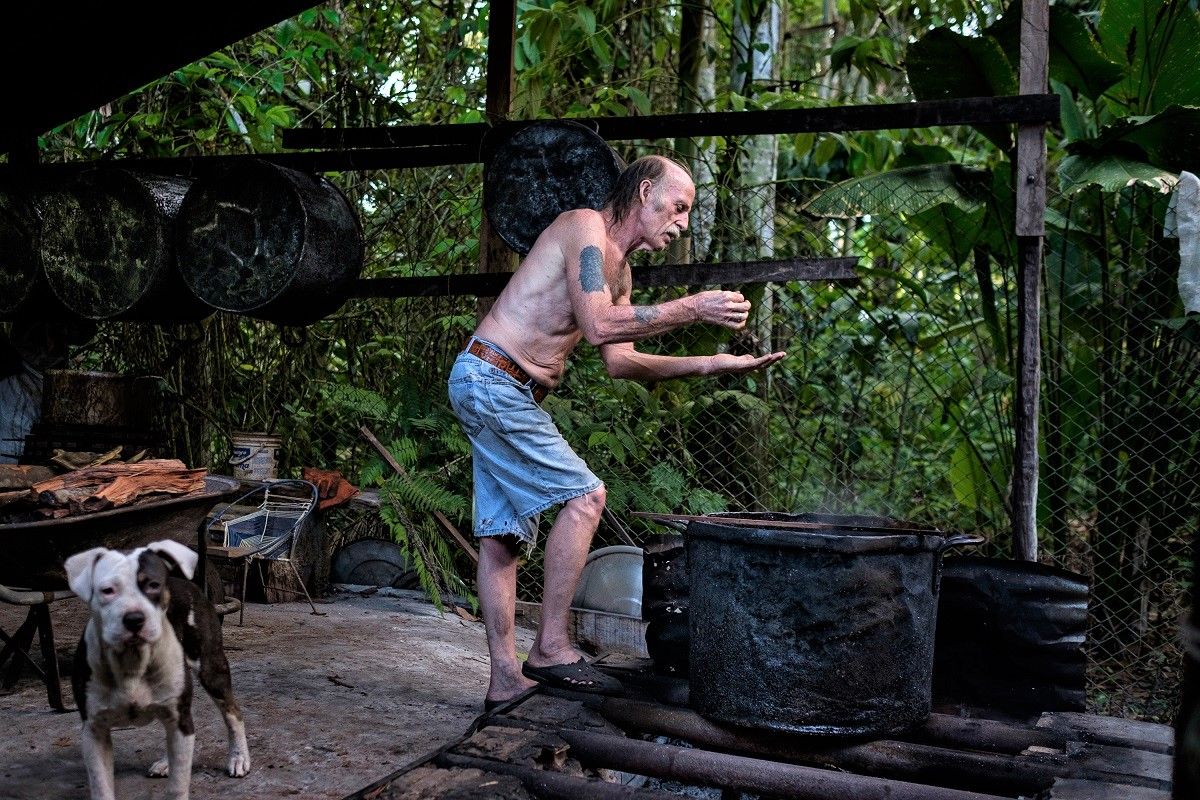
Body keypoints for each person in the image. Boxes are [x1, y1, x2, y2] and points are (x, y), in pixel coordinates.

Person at [448, 155, 785, 707]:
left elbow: (620, 360)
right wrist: (694, 307)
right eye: (678, 208)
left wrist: (710, 365)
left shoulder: (621, 272)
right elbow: (599, 322)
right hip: (493, 377)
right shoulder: (584, 227)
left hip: (497, 385)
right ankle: (551, 647)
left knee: (502, 538)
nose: (681, 225)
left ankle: (505, 679)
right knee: (586, 497)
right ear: (645, 190)